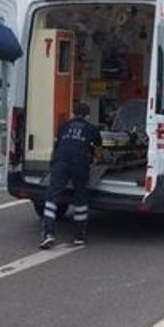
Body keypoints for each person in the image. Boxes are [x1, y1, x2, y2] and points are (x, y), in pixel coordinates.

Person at [40, 101, 102, 249]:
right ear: (87, 115)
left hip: (60, 163)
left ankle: (48, 234)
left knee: (52, 198)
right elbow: (99, 150)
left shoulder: (63, 126)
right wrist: (96, 159)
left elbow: (57, 146)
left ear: (72, 113)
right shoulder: (91, 128)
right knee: (80, 199)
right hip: (80, 164)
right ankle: (79, 237)